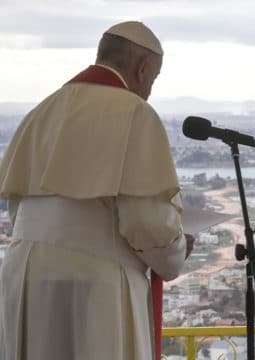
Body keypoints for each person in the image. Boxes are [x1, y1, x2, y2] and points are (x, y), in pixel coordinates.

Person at [0, 21, 194, 360]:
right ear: (142, 68)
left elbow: (18, 207)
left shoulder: (41, 111)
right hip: (95, 282)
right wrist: (176, 250)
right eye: (153, 78)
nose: (149, 89)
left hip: (25, 276)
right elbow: (147, 223)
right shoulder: (135, 113)